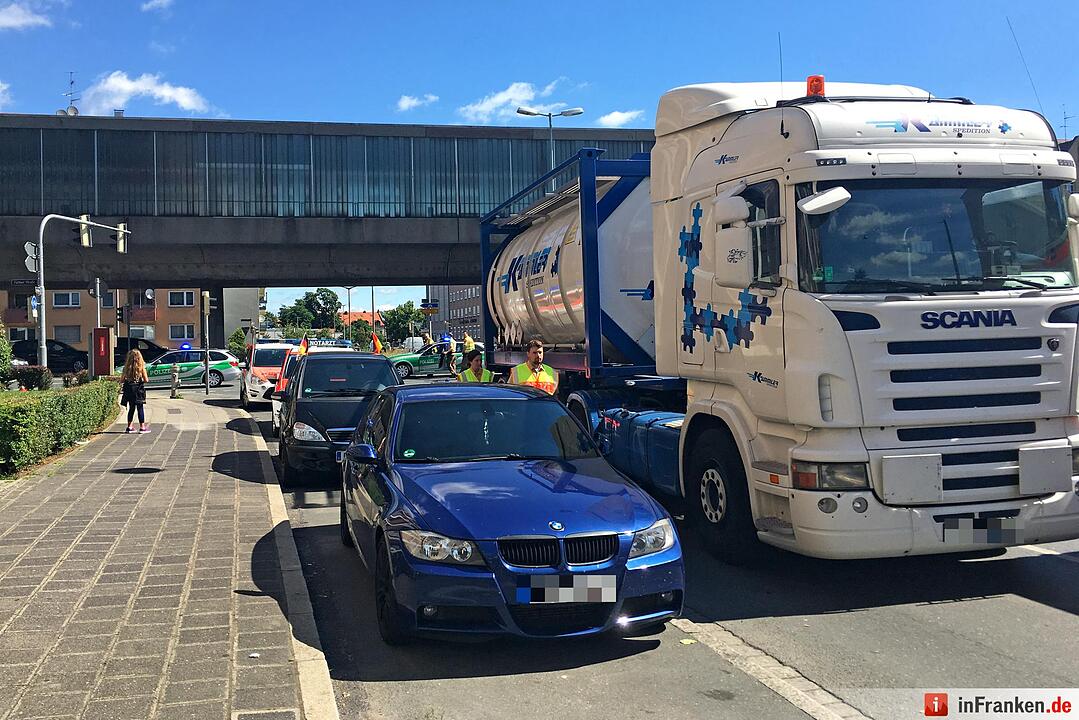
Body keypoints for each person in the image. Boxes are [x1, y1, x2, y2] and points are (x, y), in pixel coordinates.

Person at [120, 349, 150, 434]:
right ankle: (142, 427)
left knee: (131, 408)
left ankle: (129, 427)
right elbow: (146, 380)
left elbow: (121, 380)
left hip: (129, 390)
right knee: (140, 408)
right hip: (138, 390)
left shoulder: (125, 368)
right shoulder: (141, 368)